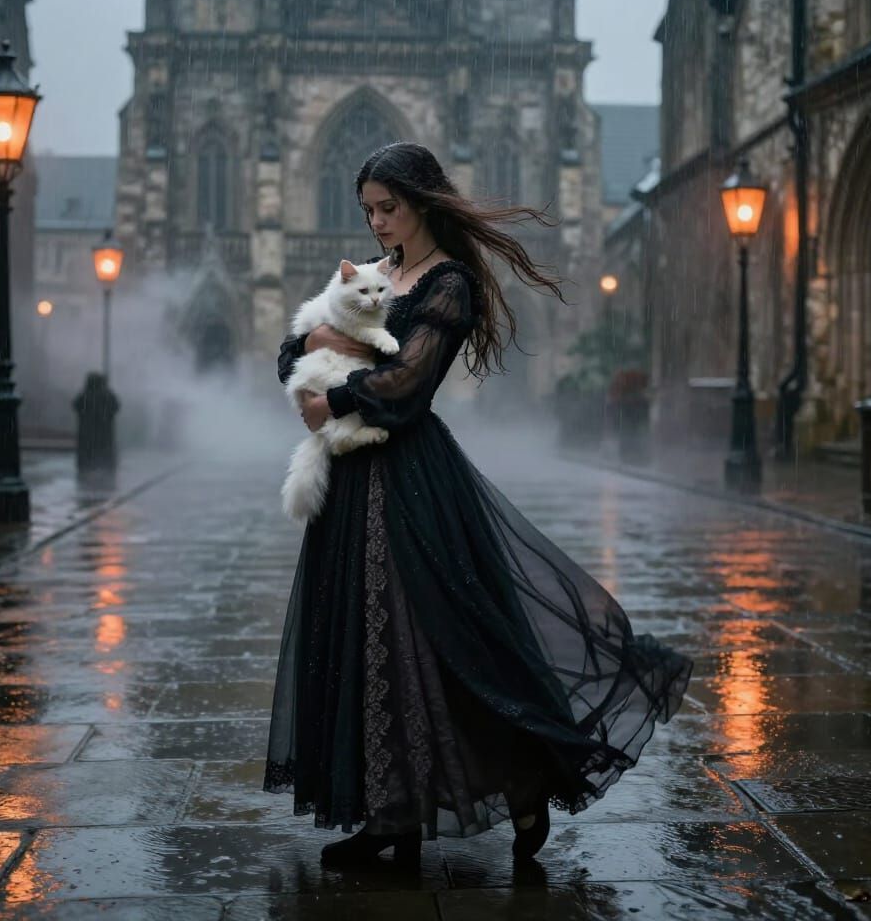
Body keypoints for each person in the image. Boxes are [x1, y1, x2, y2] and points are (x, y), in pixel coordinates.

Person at [263, 142, 692, 869]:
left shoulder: (448, 284)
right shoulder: (378, 277)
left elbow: (405, 386)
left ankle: (523, 781)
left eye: (387, 208)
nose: (376, 223)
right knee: (363, 643)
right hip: (349, 481)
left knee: (437, 641)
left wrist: (331, 386)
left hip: (407, 479)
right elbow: (288, 351)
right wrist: (325, 348)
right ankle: (388, 814)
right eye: (367, 210)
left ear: (423, 202)